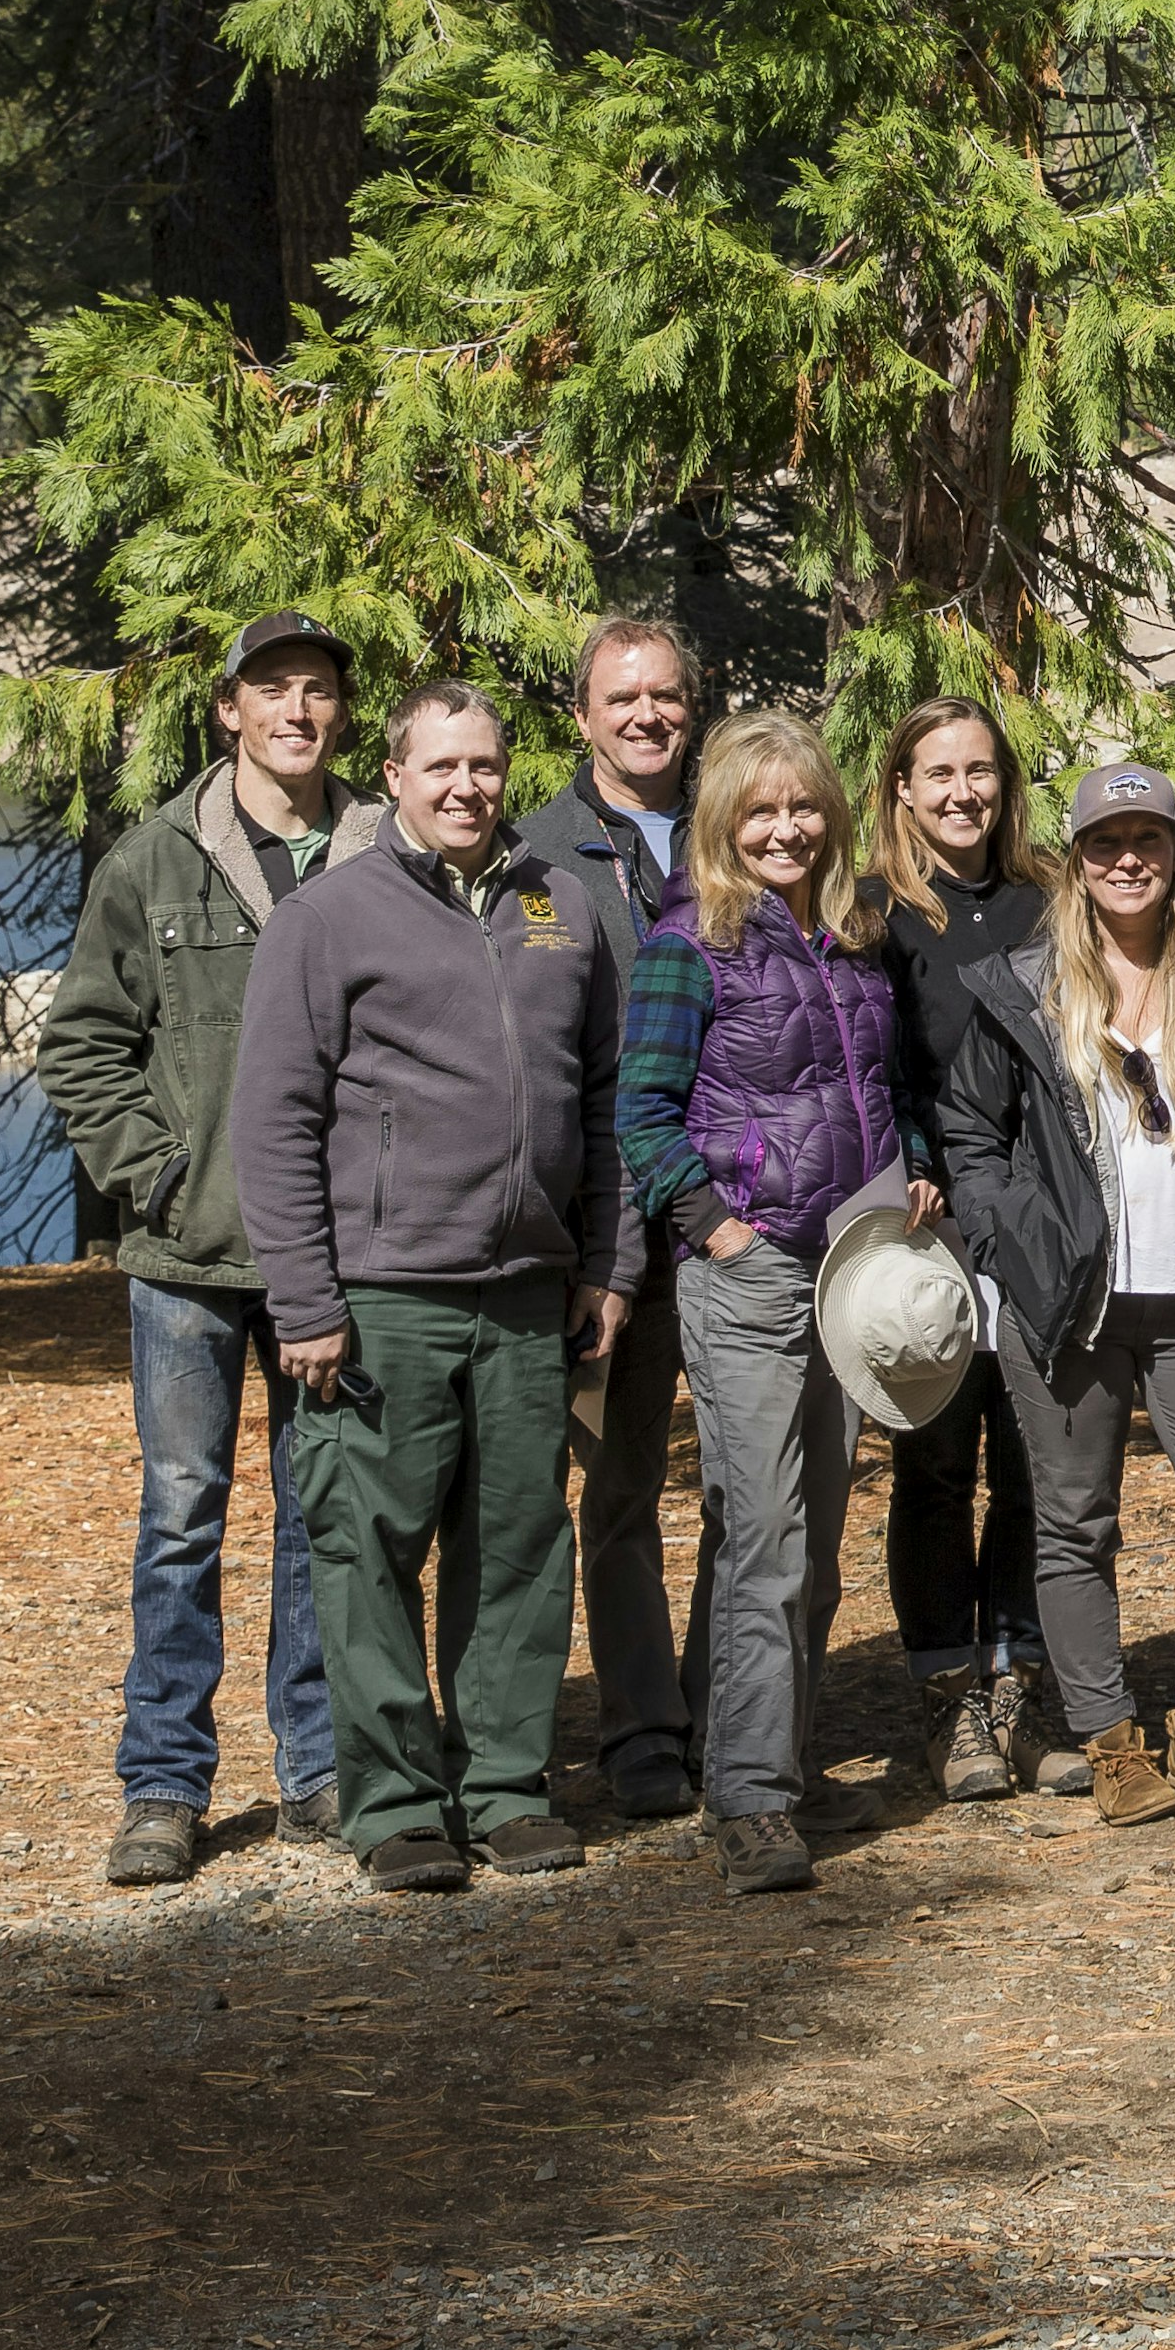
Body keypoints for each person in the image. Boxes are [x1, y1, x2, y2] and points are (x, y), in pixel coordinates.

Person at [230, 682, 638, 1893]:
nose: (468, 787)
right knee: (366, 1550)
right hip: (383, 1295)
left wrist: (610, 1261)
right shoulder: (329, 916)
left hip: (527, 1291)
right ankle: (396, 1802)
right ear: (396, 776)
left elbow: (607, 1101)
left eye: (488, 766)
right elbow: (274, 1118)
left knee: (518, 1548)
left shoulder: (555, 902)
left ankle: (507, 1787)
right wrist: (304, 1301)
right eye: (442, 766)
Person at [41, 610, 382, 1887]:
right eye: (271, 689)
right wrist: (163, 1176)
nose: (297, 710)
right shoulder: (153, 859)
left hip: (338, 1254)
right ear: (228, 709)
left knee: (320, 1514)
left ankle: (316, 1767)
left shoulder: (380, 851)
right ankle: (165, 1783)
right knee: (182, 1515)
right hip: (187, 1260)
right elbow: (82, 1044)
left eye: (318, 692)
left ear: (342, 715)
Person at [941, 761, 1175, 1829]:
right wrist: (1016, 1237)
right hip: (1072, 1304)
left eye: (1147, 839)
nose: (1128, 860)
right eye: (1106, 844)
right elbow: (972, 1133)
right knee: (1072, 1525)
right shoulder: (1024, 984)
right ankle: (1109, 1740)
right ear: (1078, 862)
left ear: (1173, 854)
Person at [614, 712, 927, 1894]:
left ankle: (766, 1757)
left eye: (803, 808)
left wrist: (914, 1174)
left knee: (823, 1535)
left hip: (855, 1261)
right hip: (750, 1267)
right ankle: (749, 1802)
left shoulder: (856, 940)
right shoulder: (687, 944)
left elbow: (885, 1084)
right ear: (723, 825)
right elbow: (641, 1113)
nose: (786, 828)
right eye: (761, 812)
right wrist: (718, 1230)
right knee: (766, 1534)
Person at [516, 614, 711, 1820]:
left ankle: (693, 1716)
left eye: (667, 695)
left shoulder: (742, 824)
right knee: (565, 1486)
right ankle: (567, 1731)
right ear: (581, 715)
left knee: (697, 1481)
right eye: (622, 697)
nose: (647, 715)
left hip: (726, 1208)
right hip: (593, 1223)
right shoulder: (533, 850)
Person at [869, 695, 1076, 1805]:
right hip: (929, 1226)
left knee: (1041, 1462)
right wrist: (913, 1163)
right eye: (938, 773)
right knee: (940, 1464)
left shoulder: (1052, 899)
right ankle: (949, 1698)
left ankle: (1023, 1691)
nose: (962, 793)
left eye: (980, 771)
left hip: (1046, 1223)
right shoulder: (875, 914)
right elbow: (873, 1063)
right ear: (901, 787)